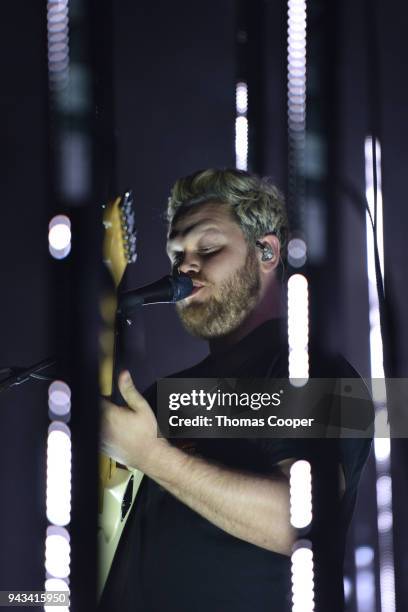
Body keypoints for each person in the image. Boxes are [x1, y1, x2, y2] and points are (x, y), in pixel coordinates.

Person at [100, 169, 372, 612]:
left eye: (207, 248)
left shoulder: (314, 370)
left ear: (266, 251)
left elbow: (300, 520)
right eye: (176, 254)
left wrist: (152, 456)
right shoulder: (163, 397)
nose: (186, 266)